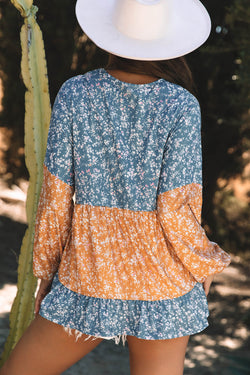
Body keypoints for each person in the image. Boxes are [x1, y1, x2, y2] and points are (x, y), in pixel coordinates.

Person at [0, 0, 231, 374]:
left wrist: (46, 272)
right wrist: (202, 262)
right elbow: (176, 206)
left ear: (109, 35)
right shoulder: (181, 106)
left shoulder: (75, 94)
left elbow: (55, 195)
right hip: (164, 283)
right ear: (170, 43)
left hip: (89, 273)